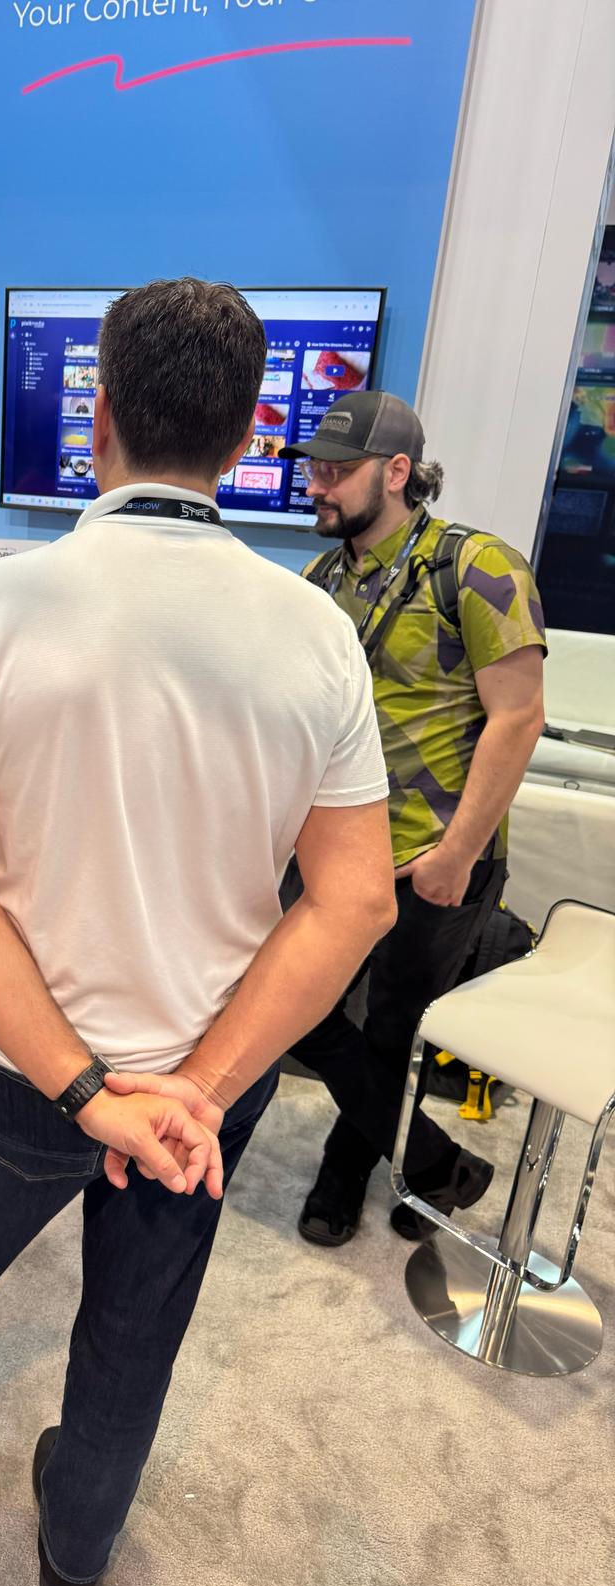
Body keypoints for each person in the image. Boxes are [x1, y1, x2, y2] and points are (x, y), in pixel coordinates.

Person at [0, 280, 398, 1586]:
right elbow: (356, 901)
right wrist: (191, 1098)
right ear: (245, 442)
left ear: (96, 413)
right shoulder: (320, 633)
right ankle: (76, 1548)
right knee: (131, 1344)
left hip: (23, 1065)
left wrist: (85, 1093)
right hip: (196, 1090)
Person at [276, 392, 547, 1247]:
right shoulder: (323, 581)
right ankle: (434, 1163)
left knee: (396, 1030)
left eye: (336, 469)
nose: (316, 484)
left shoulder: (478, 566)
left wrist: (458, 854)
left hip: (435, 855)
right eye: (312, 467)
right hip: (332, 851)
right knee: (296, 1010)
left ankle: (348, 1166)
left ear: (397, 472)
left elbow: (519, 716)